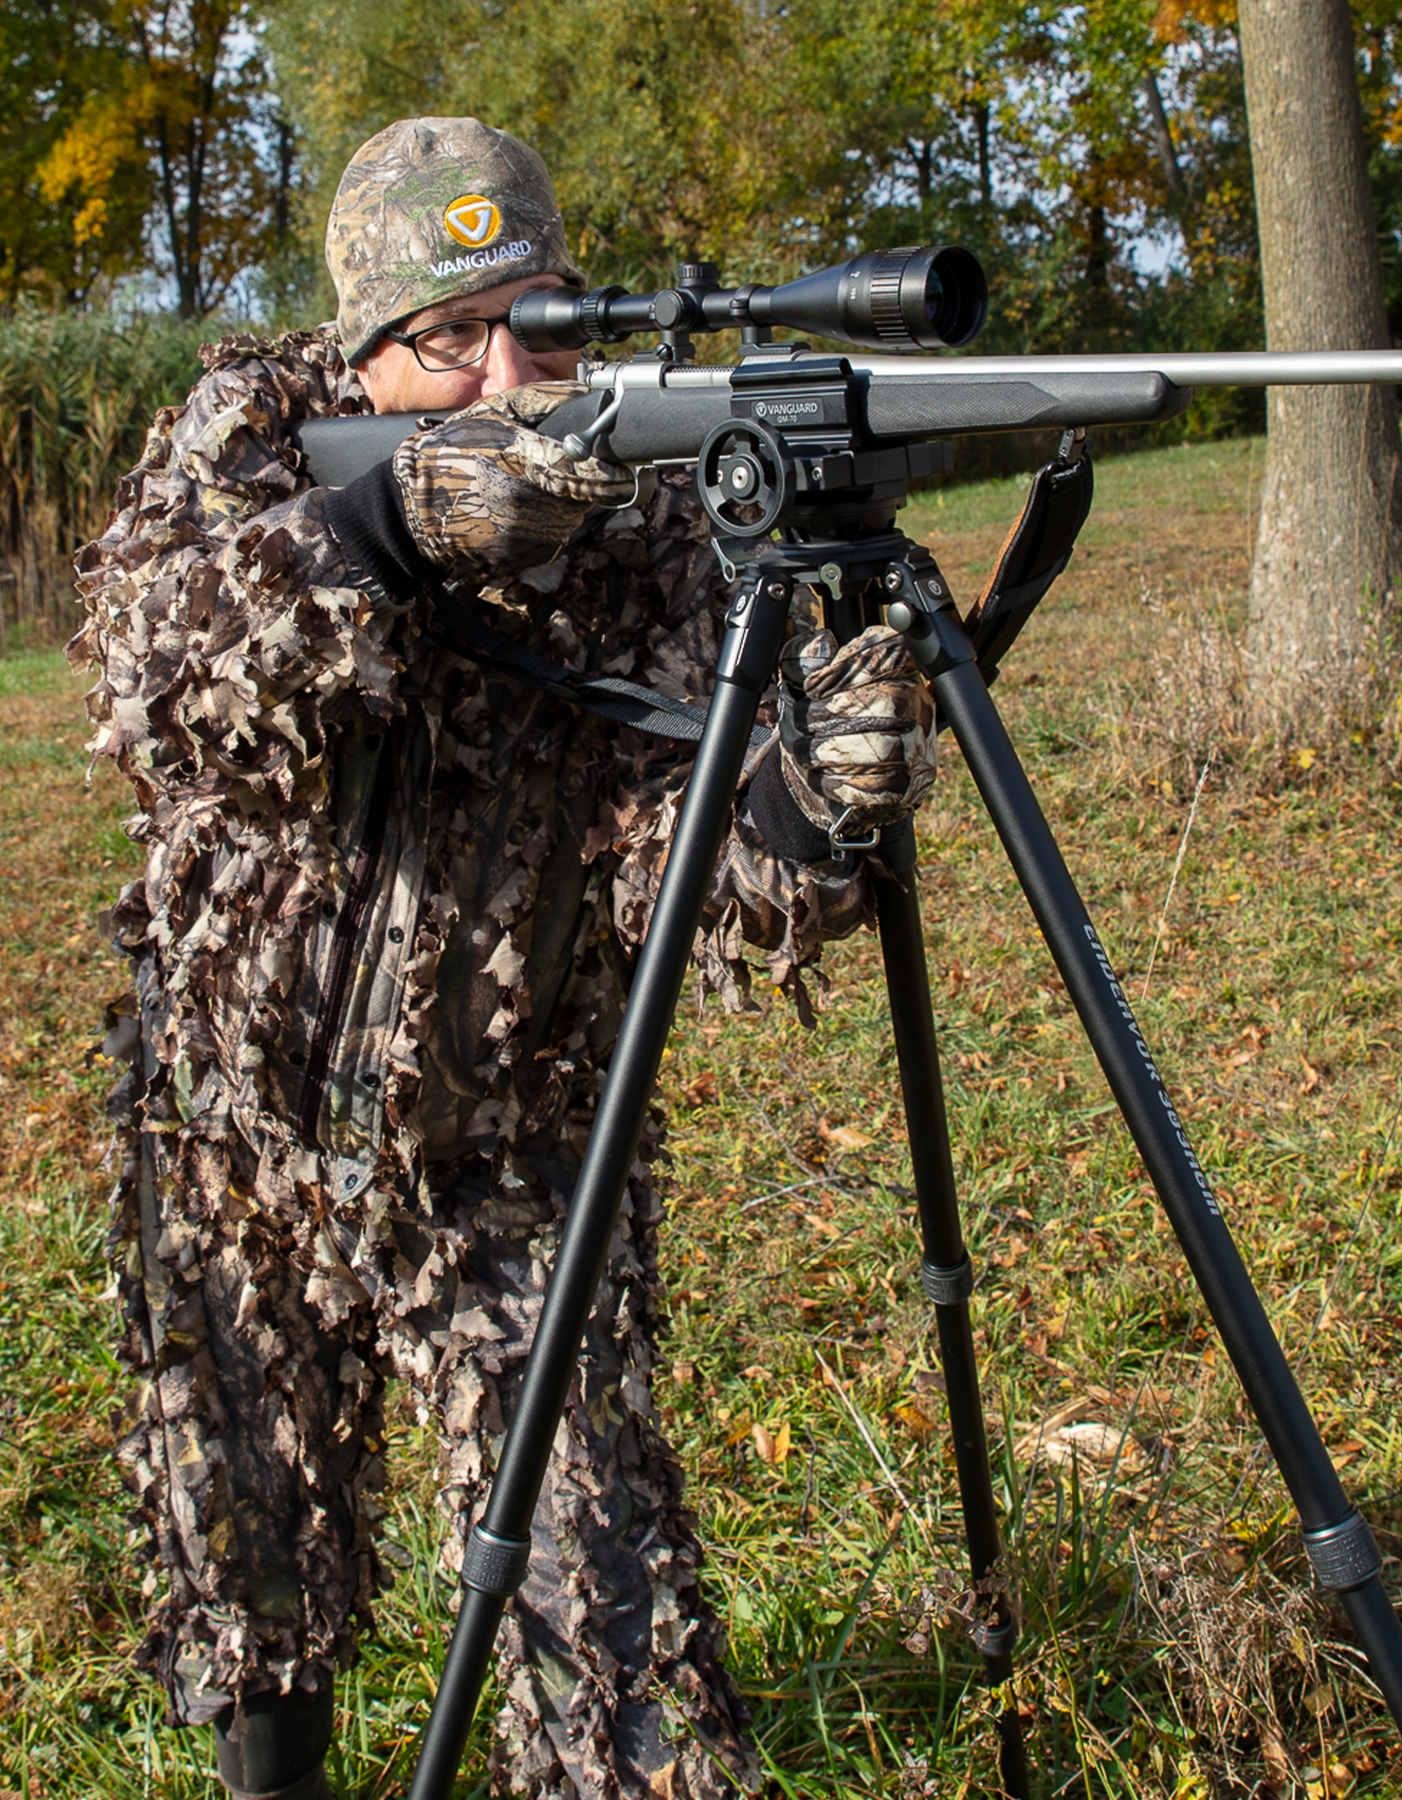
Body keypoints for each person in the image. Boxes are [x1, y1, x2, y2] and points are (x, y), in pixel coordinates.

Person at [72, 116, 935, 1800]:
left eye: (531, 323)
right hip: (223, 1133)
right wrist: (391, 531)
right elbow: (148, 676)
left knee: (599, 1608)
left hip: (512, 1161)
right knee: (247, 1549)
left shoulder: (653, 529)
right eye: (440, 339)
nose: (489, 377)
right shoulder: (251, 428)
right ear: (360, 346)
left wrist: (812, 813)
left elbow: (677, 885)